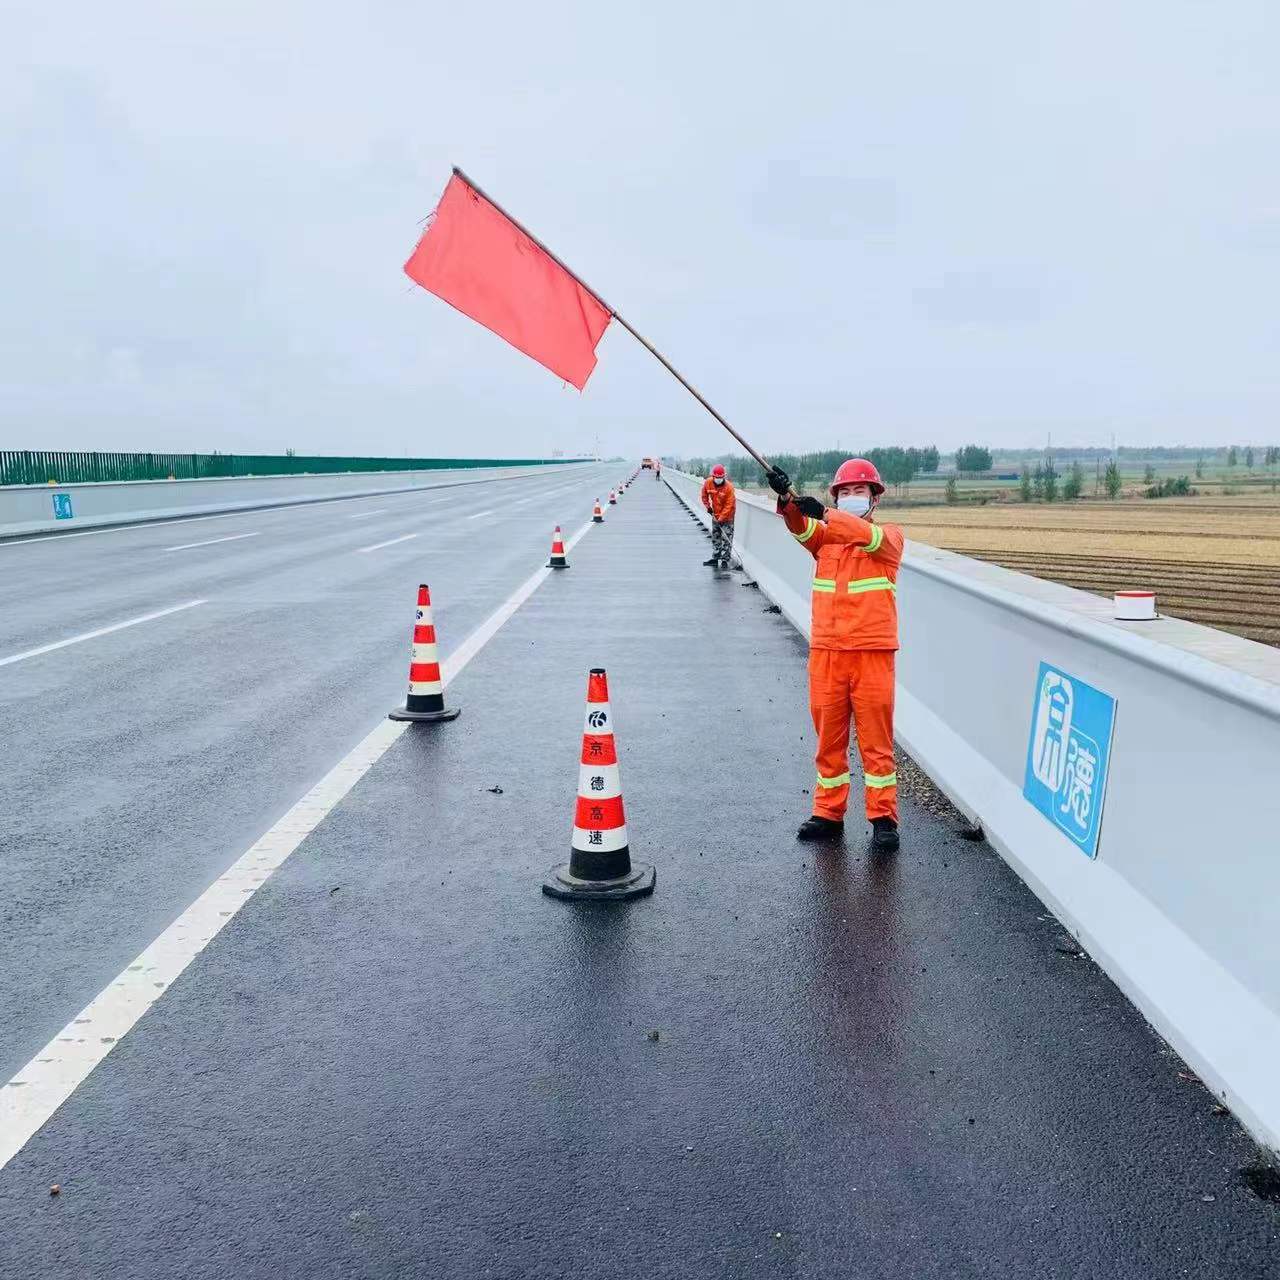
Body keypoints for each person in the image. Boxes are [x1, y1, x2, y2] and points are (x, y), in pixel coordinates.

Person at [765, 458, 904, 852]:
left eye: (859, 491)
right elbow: (800, 526)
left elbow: (863, 536)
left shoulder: (888, 539)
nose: (851, 497)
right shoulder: (825, 541)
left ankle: (883, 818)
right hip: (827, 652)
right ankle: (828, 812)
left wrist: (826, 512)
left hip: (871, 654)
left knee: (876, 743)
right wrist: (787, 497)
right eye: (845, 492)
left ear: (874, 499)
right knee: (829, 740)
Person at [700, 464, 736, 568]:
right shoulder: (708, 483)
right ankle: (715, 558)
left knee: (726, 537)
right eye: (716, 477)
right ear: (713, 476)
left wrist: (721, 518)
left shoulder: (729, 487)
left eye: (720, 478)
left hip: (728, 516)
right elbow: (704, 495)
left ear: (724, 477)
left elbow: (729, 505)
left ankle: (725, 560)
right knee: (716, 536)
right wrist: (708, 507)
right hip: (715, 513)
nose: (718, 479)